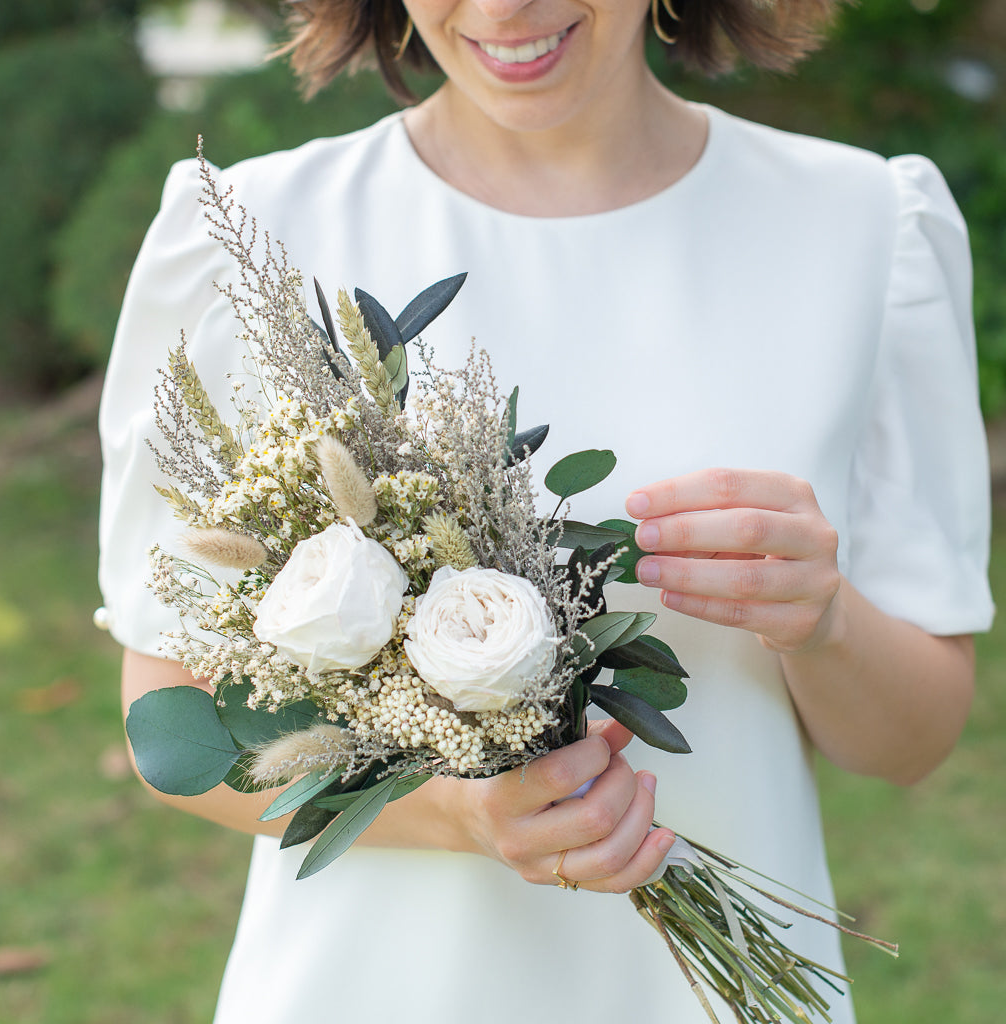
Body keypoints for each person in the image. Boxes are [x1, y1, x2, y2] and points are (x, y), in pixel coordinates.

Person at [97, 0, 994, 1020]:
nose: (501, 10)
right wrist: (458, 813)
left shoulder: (862, 224)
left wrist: (824, 621)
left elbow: (912, 741)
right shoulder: (249, 235)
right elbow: (168, 717)